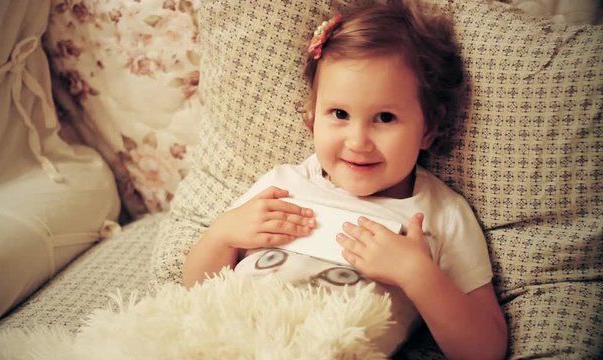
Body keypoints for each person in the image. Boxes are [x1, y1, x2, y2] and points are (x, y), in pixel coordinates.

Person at [184, 1, 507, 358]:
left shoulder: (439, 213)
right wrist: (223, 234)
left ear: (428, 129)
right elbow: (195, 291)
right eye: (339, 113)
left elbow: (485, 350)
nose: (357, 142)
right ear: (311, 116)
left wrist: (418, 275)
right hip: (228, 339)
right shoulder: (282, 185)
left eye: (384, 117)